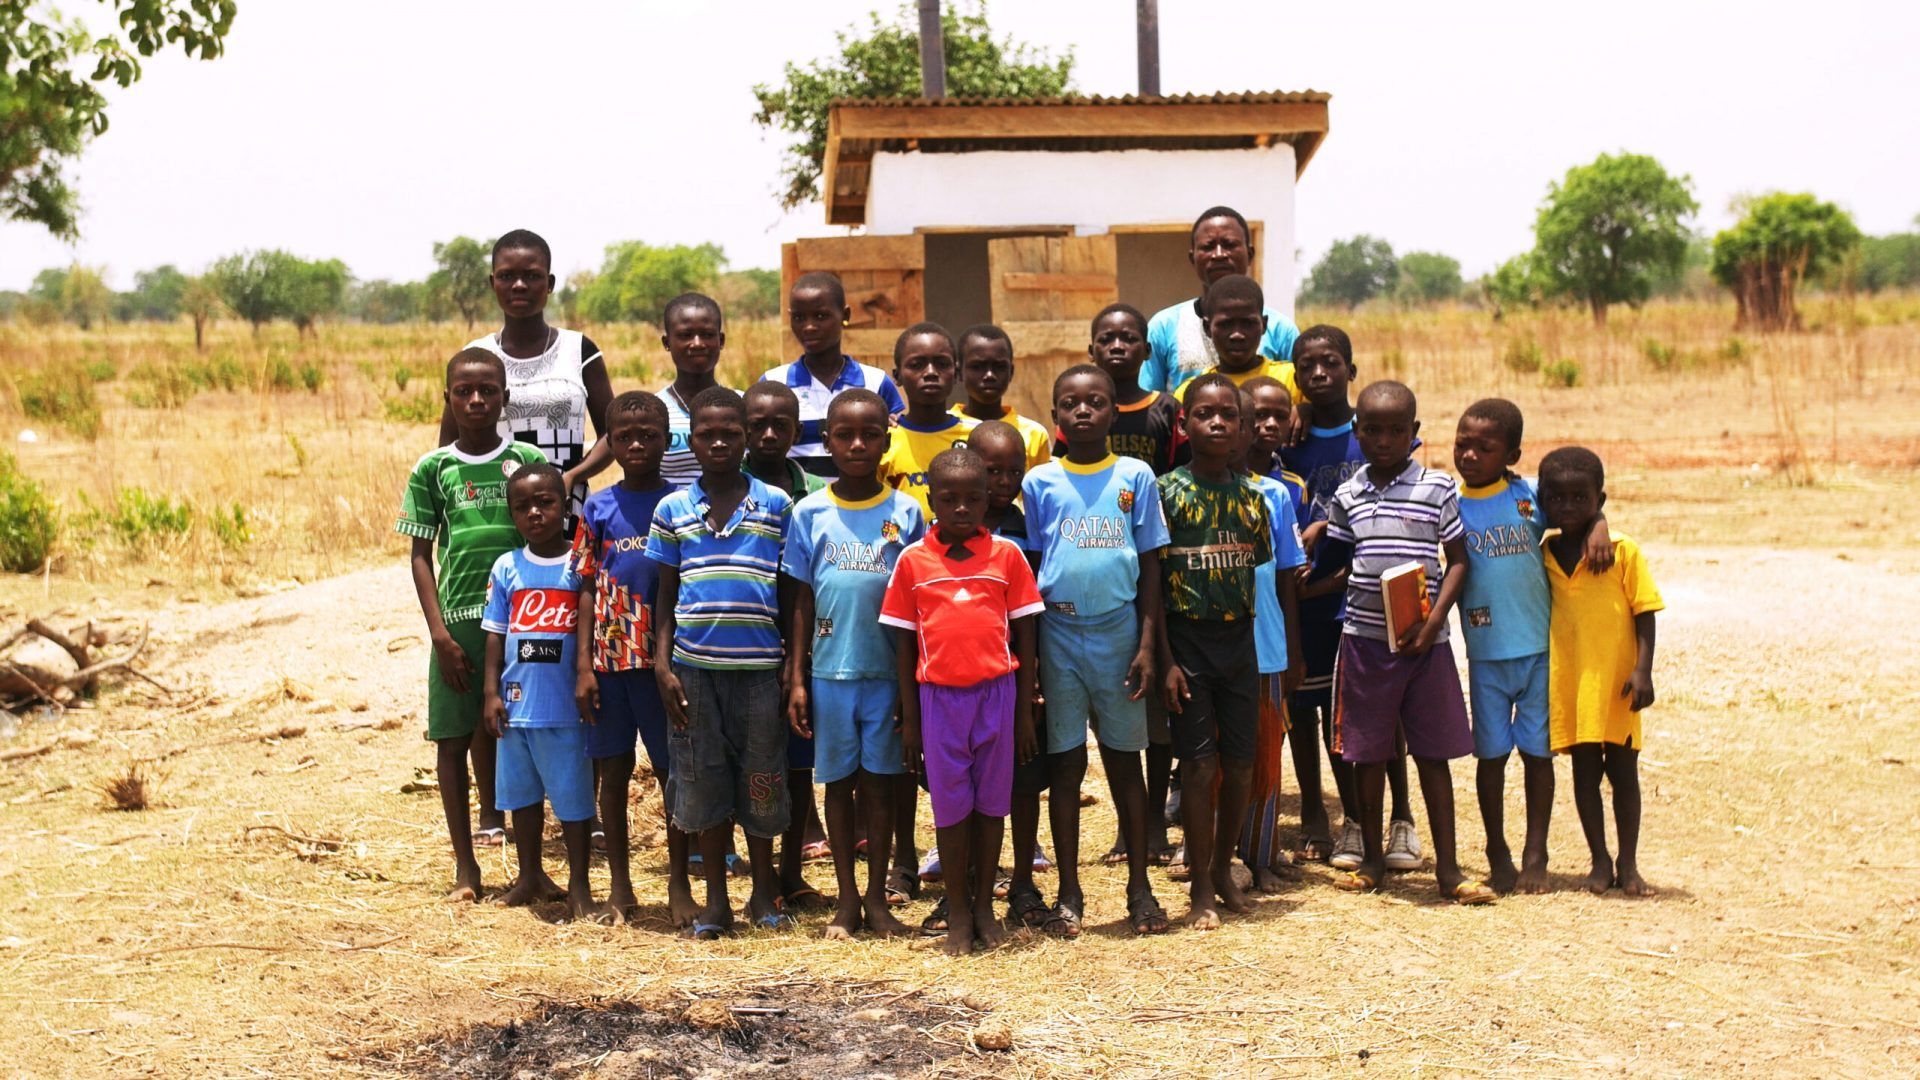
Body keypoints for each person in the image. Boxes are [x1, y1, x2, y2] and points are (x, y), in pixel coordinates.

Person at [1320, 381, 1492, 904]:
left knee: (1432, 756)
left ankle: (1450, 871)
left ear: (1414, 433)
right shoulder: (1347, 495)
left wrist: (1433, 619)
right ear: (1358, 431)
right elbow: (1344, 561)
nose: (1384, 440)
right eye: (1372, 430)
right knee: (1367, 755)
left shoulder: (1438, 489)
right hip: (1365, 643)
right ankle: (1373, 859)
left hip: (1426, 645)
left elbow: (1458, 560)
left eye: (1397, 430)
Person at [1017, 363, 1173, 936]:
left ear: (1113, 411)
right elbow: (1033, 567)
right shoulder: (1041, 482)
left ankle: (1140, 889)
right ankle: (1068, 892)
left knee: (1123, 760)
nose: (1083, 411)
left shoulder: (1137, 475)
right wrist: (1030, 659)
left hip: (1118, 634)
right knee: (1065, 764)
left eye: (1096, 402)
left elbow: (1151, 564)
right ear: (1056, 415)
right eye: (1071, 403)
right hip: (1058, 634)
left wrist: (1149, 644)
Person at [397, 348, 551, 900]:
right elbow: (420, 553)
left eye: (488, 390)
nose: (477, 400)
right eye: (464, 391)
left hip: (523, 622)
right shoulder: (433, 467)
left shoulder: (527, 458)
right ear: (449, 399)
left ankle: (530, 866)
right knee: (452, 738)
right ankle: (467, 868)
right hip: (459, 621)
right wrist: (439, 634)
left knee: (520, 735)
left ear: (505, 398)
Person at [880, 447, 1043, 955]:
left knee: (992, 804)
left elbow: (1026, 634)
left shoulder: (1007, 556)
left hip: (998, 694)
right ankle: (955, 911)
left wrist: (1024, 711)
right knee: (951, 808)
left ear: (987, 498)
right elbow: (903, 642)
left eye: (973, 499)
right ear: (931, 498)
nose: (961, 509)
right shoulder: (912, 561)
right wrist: (910, 720)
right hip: (939, 699)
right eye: (948, 499)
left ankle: (983, 910)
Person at [646, 386, 795, 938]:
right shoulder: (673, 510)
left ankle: (762, 892)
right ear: (691, 440)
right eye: (706, 434)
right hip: (692, 672)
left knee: (762, 776)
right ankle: (715, 902)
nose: (719, 443)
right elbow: (665, 594)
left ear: (749, 437)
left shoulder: (776, 506)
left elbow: (790, 592)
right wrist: (662, 666)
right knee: (700, 778)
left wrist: (791, 667)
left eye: (731, 434)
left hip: (760, 672)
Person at [781, 389, 926, 940]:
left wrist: (913, 678)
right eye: (845, 435)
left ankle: (877, 898)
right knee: (838, 784)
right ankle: (846, 900)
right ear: (828, 441)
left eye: (870, 435)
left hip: (887, 675)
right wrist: (796, 676)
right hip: (830, 676)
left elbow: (917, 600)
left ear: (887, 442)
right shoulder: (809, 511)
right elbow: (800, 598)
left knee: (882, 785)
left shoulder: (907, 512)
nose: (858, 444)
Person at [1453, 399, 1613, 894]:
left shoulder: (1527, 499)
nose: (1471, 454)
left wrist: (1601, 527)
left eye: (1486, 447)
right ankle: (1496, 850)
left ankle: (1535, 853)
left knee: (1537, 757)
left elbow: (1580, 508)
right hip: (1485, 655)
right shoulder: (1449, 504)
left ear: (1512, 454)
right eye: (1463, 443)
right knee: (1491, 757)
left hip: (1542, 652)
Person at [1278, 326, 1419, 871]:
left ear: (1351, 369)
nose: (1318, 374)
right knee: (1307, 707)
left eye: (1330, 363)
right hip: (1310, 594)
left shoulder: (1376, 433)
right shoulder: (1293, 435)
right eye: (1306, 366)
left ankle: (1399, 816)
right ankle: (1322, 815)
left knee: (1379, 711)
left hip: (1365, 595)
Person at [1157, 374, 1273, 930]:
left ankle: (1225, 868)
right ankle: (1200, 884)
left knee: (1242, 767)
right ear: (1184, 425)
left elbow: (1259, 570)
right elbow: (1151, 582)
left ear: (1243, 427)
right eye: (1205, 414)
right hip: (1188, 644)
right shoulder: (1166, 493)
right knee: (1200, 769)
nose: (1218, 423)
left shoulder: (1255, 498)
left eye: (1228, 414)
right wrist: (1164, 658)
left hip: (1239, 645)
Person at [569, 391, 687, 925]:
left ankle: (681, 883)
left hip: (664, 665)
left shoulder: (682, 503)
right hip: (610, 664)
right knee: (612, 772)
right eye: (624, 437)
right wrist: (583, 667)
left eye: (649, 436)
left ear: (667, 440)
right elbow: (587, 587)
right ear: (610, 444)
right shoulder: (597, 506)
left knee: (672, 773)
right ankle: (620, 885)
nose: (637, 444)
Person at [1073, 302, 1185, 867]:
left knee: (1156, 706)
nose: (1117, 347)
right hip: (1105, 570)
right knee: (1115, 709)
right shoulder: (1080, 409)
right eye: (1106, 338)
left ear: (1147, 349)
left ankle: (1157, 820)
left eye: (1129, 338)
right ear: (1092, 348)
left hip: (1156, 559)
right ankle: (1128, 825)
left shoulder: (1165, 410)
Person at [1540, 446, 1663, 897]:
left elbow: (1645, 611)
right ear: (1542, 499)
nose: (1567, 507)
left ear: (1600, 500)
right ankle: (1599, 860)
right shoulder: (1545, 553)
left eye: (1580, 499)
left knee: (1624, 775)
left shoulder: (1622, 552)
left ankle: (1629, 863)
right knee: (1585, 775)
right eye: (1557, 498)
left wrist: (1643, 670)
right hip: (1571, 687)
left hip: (1617, 685)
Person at [480, 463, 599, 920]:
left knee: (572, 801)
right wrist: (491, 693)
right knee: (522, 798)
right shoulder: (507, 567)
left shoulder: (579, 565)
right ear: (512, 514)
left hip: (564, 710)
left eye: (545, 502)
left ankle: (580, 885)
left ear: (564, 505)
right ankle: (530, 875)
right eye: (522, 506)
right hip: (516, 707)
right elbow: (495, 633)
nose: (535, 512)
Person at [742, 379, 832, 913]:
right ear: (743, 429)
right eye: (759, 425)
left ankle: (793, 871)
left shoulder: (819, 493)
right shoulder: (729, 487)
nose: (770, 433)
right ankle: (759, 873)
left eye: (781, 425)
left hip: (807, 645)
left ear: (798, 431)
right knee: (757, 761)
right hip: (746, 644)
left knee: (799, 763)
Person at [450, 230, 613, 512]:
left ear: (549, 284)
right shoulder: (475, 357)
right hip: (493, 511)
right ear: (492, 283)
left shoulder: (579, 350)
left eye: (532, 276)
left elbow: (613, 435)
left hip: (565, 507)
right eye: (506, 276)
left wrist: (571, 477)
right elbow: (450, 447)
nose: (519, 285)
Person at [1234, 382, 1307, 892]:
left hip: (1265, 649)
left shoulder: (1275, 495)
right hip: (1203, 653)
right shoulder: (1175, 491)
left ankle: (1260, 856)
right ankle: (1210, 857)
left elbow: (1286, 580)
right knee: (1209, 760)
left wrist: (1294, 652)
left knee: (1264, 758)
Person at [1141, 206, 1300, 398]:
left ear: (1249, 254)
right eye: (1208, 247)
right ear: (1193, 257)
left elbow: (1302, 393)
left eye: (1229, 244)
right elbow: (1150, 402)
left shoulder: (1280, 329)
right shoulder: (1164, 326)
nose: (1219, 254)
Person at [764, 271, 907, 477]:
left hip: (864, 503)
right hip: (797, 505)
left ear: (845, 315)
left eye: (821, 316)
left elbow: (895, 444)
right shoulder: (774, 384)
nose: (809, 326)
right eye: (799, 317)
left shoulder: (875, 383)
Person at [879, 322, 976, 516]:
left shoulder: (976, 437)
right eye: (917, 365)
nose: (931, 372)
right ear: (897, 376)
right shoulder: (883, 440)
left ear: (956, 373)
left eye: (941, 364)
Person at [1171, 274, 1302, 406]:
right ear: (1207, 328)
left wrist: (1305, 410)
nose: (1237, 335)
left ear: (1264, 325)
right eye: (1225, 325)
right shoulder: (1189, 393)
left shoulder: (1293, 379)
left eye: (1248, 324)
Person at [656, 293, 731, 489]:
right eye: (685, 335)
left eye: (707, 335)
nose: (697, 343)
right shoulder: (654, 411)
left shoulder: (741, 405)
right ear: (666, 343)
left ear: (721, 340)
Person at [954, 324, 1051, 473]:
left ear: (1011, 372)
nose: (989, 375)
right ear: (959, 372)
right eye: (977, 367)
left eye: (999, 367)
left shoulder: (1033, 434)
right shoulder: (945, 428)